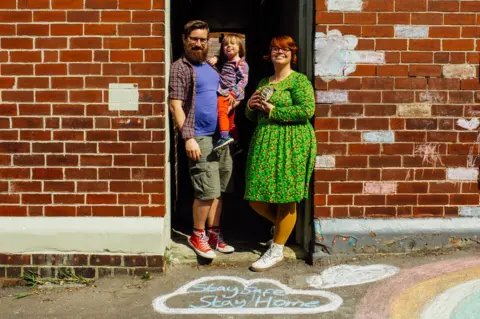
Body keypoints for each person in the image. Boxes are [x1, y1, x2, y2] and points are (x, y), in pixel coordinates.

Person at [245, 35, 316, 272]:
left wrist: (275, 110)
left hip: (293, 142)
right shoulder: (265, 82)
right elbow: (253, 117)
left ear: (292, 54)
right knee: (256, 195)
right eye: (275, 48)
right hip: (266, 141)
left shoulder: (299, 81)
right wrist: (250, 106)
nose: (279, 52)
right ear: (269, 53)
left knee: (287, 197)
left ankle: (276, 251)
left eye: (285, 49)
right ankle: (282, 228)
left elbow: (307, 110)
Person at [168, 20, 234, 259]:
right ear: (185, 39)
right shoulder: (181, 67)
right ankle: (198, 234)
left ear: (209, 41)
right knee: (205, 190)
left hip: (221, 137)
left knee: (218, 190)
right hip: (200, 136)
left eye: (202, 39)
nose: (198, 43)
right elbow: (175, 105)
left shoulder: (210, 67)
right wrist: (189, 137)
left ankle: (213, 233)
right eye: (194, 39)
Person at [207, 34, 249, 151]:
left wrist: (233, 94)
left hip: (228, 93)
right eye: (225, 45)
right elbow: (219, 57)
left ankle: (224, 137)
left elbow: (243, 81)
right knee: (230, 120)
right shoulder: (225, 61)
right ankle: (236, 142)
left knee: (222, 112)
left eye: (232, 43)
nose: (228, 46)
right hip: (226, 92)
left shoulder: (241, 63)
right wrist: (216, 57)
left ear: (240, 48)